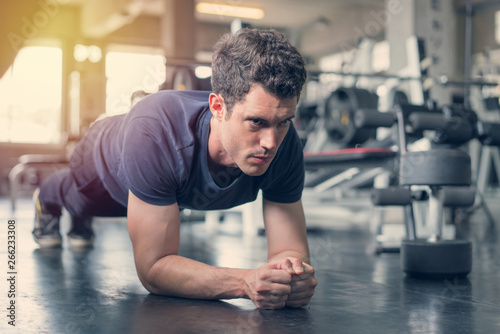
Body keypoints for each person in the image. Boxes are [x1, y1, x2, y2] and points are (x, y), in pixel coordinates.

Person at [33, 28, 317, 309]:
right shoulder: (155, 131)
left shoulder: (284, 143)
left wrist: (292, 275)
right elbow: (154, 269)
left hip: (158, 182)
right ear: (218, 107)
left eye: (283, 122)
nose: (271, 143)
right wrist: (245, 282)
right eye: (256, 121)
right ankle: (49, 201)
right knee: (81, 200)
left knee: (150, 205)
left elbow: (289, 251)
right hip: (101, 160)